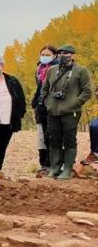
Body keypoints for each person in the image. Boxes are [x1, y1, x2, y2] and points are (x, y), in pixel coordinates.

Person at [43, 45, 93, 180]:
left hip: (71, 112)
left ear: (72, 55)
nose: (62, 56)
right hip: (53, 111)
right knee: (54, 140)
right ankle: (54, 168)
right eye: (59, 53)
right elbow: (45, 89)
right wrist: (48, 103)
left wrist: (74, 103)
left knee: (69, 140)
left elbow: (87, 92)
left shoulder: (81, 71)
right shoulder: (52, 71)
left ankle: (67, 168)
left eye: (65, 53)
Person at [31, 46, 59, 176]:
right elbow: (40, 87)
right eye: (42, 54)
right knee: (41, 137)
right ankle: (44, 164)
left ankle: (55, 164)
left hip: (53, 106)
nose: (44, 56)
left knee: (51, 136)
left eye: (48, 54)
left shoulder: (58, 69)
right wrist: (36, 101)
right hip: (40, 106)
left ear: (54, 56)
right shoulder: (39, 69)